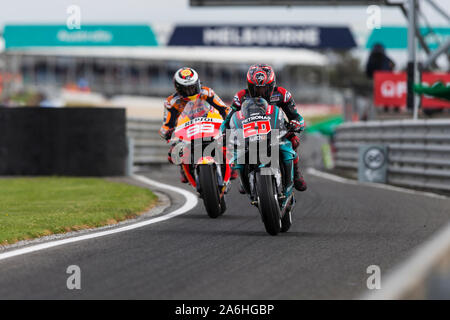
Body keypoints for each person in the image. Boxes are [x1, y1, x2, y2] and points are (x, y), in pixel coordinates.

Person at [221, 63, 307, 191]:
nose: (260, 92)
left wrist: (297, 123)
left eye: (264, 88)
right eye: (255, 88)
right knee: (235, 148)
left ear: (272, 85)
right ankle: (243, 176)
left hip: (276, 130)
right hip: (248, 132)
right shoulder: (240, 97)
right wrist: (223, 133)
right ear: (249, 85)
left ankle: (296, 171)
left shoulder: (282, 94)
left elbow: (296, 116)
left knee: (294, 140)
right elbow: (228, 120)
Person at [159, 67, 231, 183]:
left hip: (209, 124)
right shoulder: (171, 102)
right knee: (173, 154)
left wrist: (228, 121)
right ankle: (184, 169)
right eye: (186, 89)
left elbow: (224, 109)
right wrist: (168, 132)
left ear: (197, 83)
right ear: (178, 88)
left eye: (192, 87)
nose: (190, 91)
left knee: (230, 139)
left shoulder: (207, 93)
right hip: (186, 131)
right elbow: (166, 125)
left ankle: (231, 163)